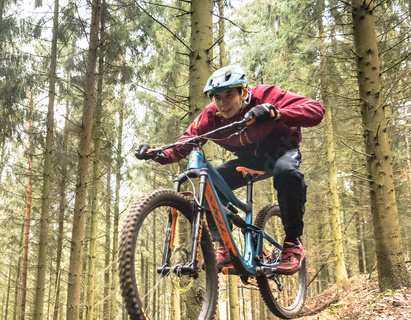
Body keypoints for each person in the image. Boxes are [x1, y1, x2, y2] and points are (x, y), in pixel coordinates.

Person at [135, 64, 325, 275]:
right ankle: (224, 246)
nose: (223, 104)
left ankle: (292, 243)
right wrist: (156, 153)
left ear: (243, 92)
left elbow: (316, 110)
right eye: (217, 98)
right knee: (208, 183)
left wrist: (275, 113)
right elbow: (184, 144)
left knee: (286, 173)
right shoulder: (211, 115)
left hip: (281, 152)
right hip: (248, 161)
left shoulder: (265, 95)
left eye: (229, 95)